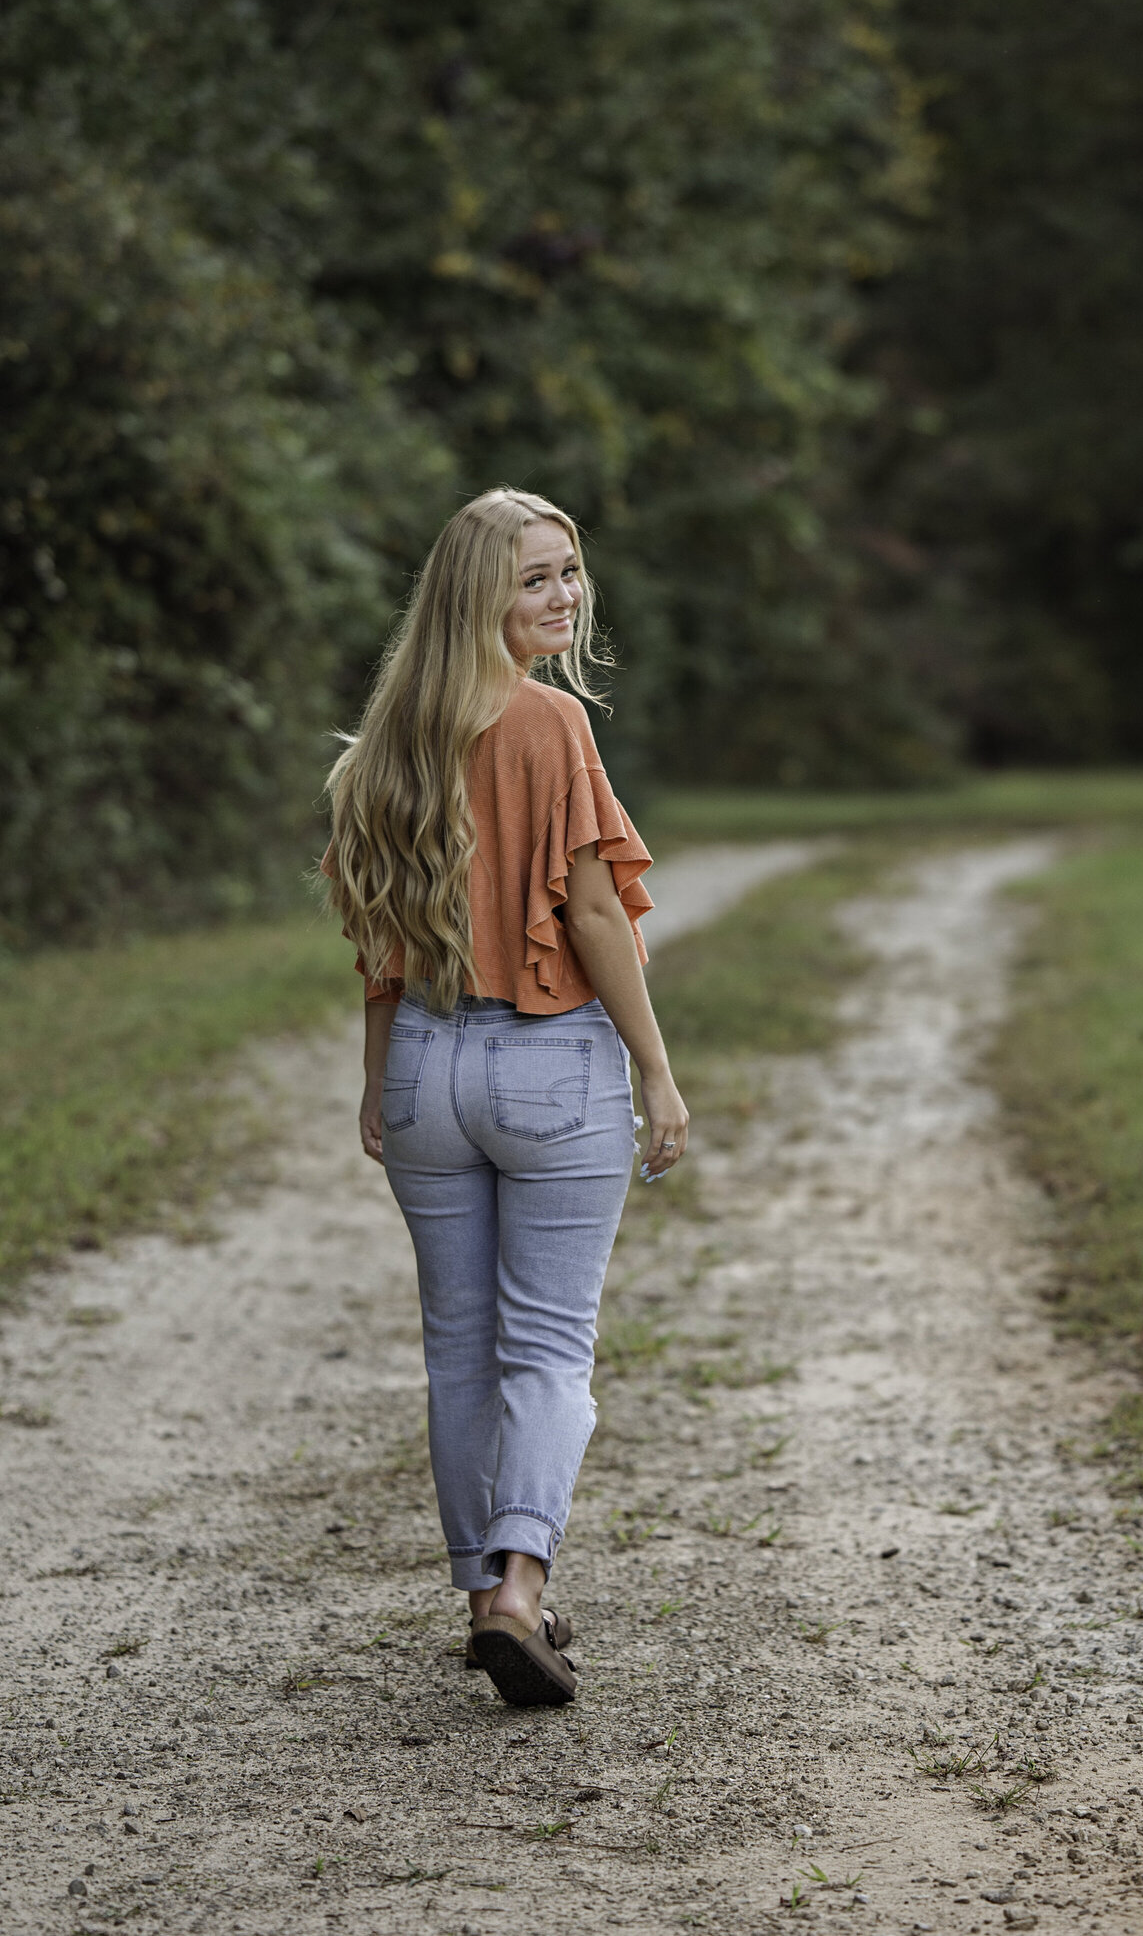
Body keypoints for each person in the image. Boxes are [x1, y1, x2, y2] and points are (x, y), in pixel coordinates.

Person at [321, 487, 689, 1708]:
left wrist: (381, 1082)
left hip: (428, 1063)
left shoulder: (389, 735)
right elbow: (590, 913)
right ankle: (519, 1589)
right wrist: (655, 1066)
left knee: (458, 1353)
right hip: (546, 1065)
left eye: (570, 571)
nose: (563, 596)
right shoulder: (547, 722)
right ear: (478, 594)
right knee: (545, 1345)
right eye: (535, 577)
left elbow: (380, 929)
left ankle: (489, 1595)